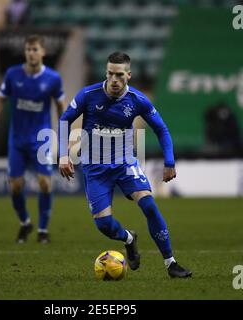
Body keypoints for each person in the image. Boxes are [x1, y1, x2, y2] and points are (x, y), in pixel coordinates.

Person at [59, 52, 192, 278]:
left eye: (119, 75)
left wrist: (169, 161)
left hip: (125, 163)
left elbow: (162, 129)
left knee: (149, 206)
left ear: (128, 75)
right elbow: (65, 119)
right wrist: (64, 155)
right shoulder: (88, 95)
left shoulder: (138, 100)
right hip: (96, 168)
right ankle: (128, 238)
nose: (114, 79)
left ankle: (171, 263)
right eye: (110, 73)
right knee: (104, 225)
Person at [0, 34, 66, 244]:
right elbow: (0, 100)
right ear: (25, 52)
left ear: (43, 52)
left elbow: (61, 106)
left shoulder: (53, 79)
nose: (31, 53)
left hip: (41, 138)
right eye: (28, 49)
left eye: (35, 49)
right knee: (16, 186)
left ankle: (43, 230)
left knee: (44, 183)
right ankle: (25, 223)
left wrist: (65, 130)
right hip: (17, 139)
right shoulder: (12, 74)